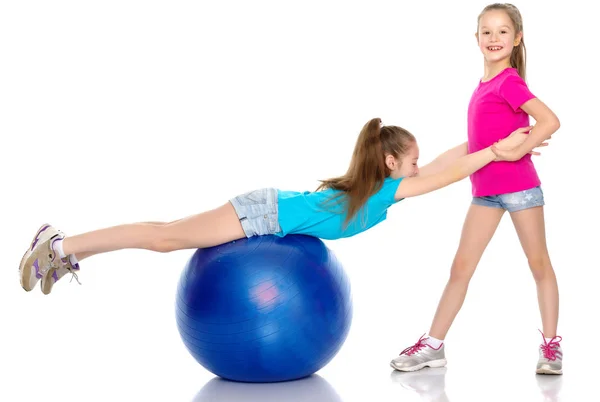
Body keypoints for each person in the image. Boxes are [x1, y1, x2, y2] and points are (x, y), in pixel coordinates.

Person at [19, 117, 542, 296]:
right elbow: (447, 175)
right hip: (260, 214)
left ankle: (64, 247)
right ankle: (61, 246)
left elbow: (447, 161)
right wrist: (496, 153)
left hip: (264, 211)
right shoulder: (390, 190)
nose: (418, 168)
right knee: (164, 237)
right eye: (411, 161)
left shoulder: (381, 185)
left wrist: (491, 139)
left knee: (166, 231)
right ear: (388, 162)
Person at [390, 3, 562, 375]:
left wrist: (519, 147)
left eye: (503, 31)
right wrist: (428, 170)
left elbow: (550, 121)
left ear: (517, 38)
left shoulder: (509, 81)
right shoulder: (485, 86)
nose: (494, 38)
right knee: (460, 269)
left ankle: (550, 349)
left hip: (520, 189)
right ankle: (433, 347)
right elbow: (472, 144)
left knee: (539, 265)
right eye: (487, 31)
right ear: (477, 39)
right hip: (485, 192)